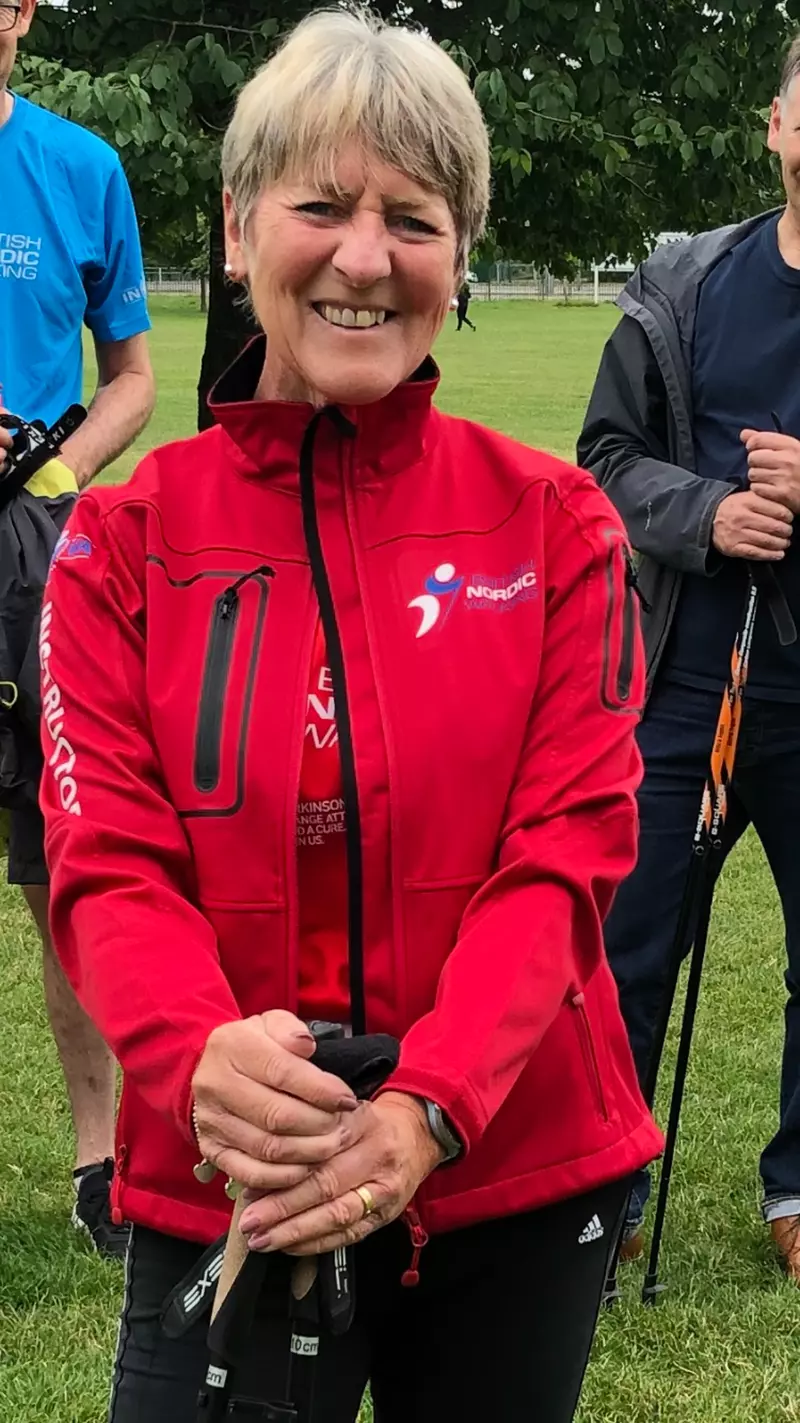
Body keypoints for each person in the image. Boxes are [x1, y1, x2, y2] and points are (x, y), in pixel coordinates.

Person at [41, 11, 662, 1421]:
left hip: (516, 1160)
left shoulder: (558, 520)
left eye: (415, 217)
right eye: (321, 205)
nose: (365, 256)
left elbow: (570, 848)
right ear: (242, 221)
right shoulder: (121, 542)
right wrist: (194, 1049)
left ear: (461, 251)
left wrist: (429, 1101)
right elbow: (107, 860)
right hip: (236, 1165)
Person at [577, 35, 800, 1282]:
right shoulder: (687, 283)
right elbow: (602, 459)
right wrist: (708, 513)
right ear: (774, 126)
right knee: (629, 940)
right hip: (677, 683)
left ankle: (797, 1188)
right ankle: (600, 1195)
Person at [0, 0, 154, 1258]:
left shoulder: (81, 167)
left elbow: (135, 376)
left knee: (61, 860)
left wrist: (45, 455)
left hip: (33, 551)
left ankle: (99, 1163)